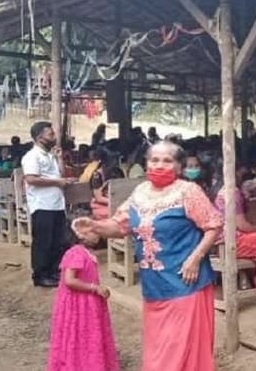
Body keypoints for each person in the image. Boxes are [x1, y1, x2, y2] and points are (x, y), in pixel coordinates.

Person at [72, 141, 222, 371]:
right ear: (146, 163)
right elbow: (120, 225)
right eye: (154, 160)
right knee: (159, 350)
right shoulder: (140, 192)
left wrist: (196, 258)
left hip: (186, 282)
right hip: (154, 285)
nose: (159, 165)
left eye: (167, 160)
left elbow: (214, 225)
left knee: (181, 350)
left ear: (179, 167)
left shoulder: (188, 191)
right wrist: (94, 226)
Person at [47, 225, 118, 371]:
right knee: (80, 334)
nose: (97, 233)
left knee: (83, 335)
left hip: (85, 304)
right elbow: (70, 280)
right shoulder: (77, 253)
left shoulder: (84, 253)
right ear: (80, 234)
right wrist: (94, 288)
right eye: (92, 230)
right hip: (78, 304)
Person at [23, 121, 75, 288]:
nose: (54, 137)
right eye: (50, 134)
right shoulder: (32, 156)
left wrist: (59, 158)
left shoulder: (50, 155)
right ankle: (40, 275)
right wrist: (57, 182)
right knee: (43, 242)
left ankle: (53, 271)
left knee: (57, 241)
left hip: (56, 203)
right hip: (41, 204)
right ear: (40, 138)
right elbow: (31, 179)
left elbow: (59, 174)